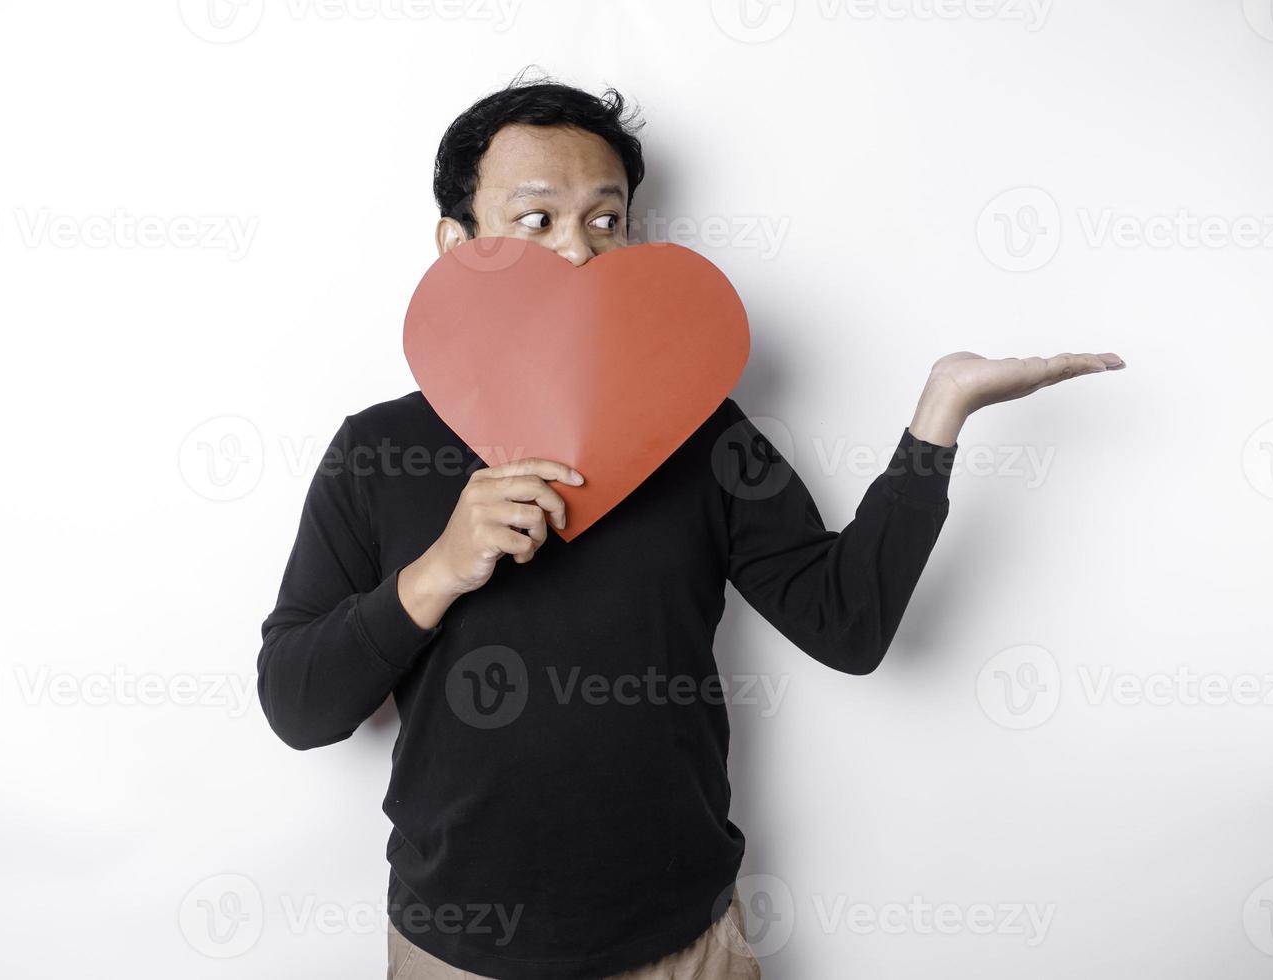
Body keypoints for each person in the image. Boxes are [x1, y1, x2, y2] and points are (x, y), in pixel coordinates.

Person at [256, 72, 1126, 980]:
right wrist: (439, 567)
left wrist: (939, 416)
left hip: (689, 943)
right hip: (456, 949)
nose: (582, 252)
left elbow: (848, 625)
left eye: (605, 219)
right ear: (456, 243)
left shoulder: (702, 433)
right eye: (537, 219)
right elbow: (299, 706)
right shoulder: (376, 450)